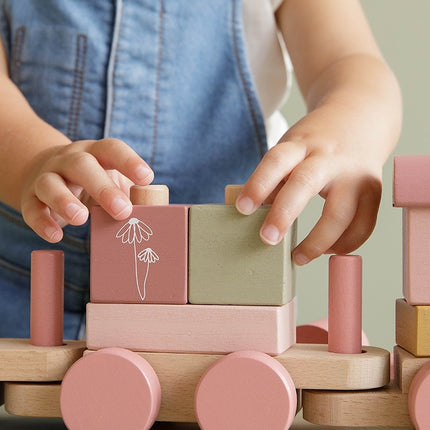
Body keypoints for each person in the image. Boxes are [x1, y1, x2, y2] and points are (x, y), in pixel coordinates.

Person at [0, 0, 402, 339]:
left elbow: (352, 63)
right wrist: (34, 158)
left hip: (220, 309)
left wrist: (349, 129)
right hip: (19, 296)